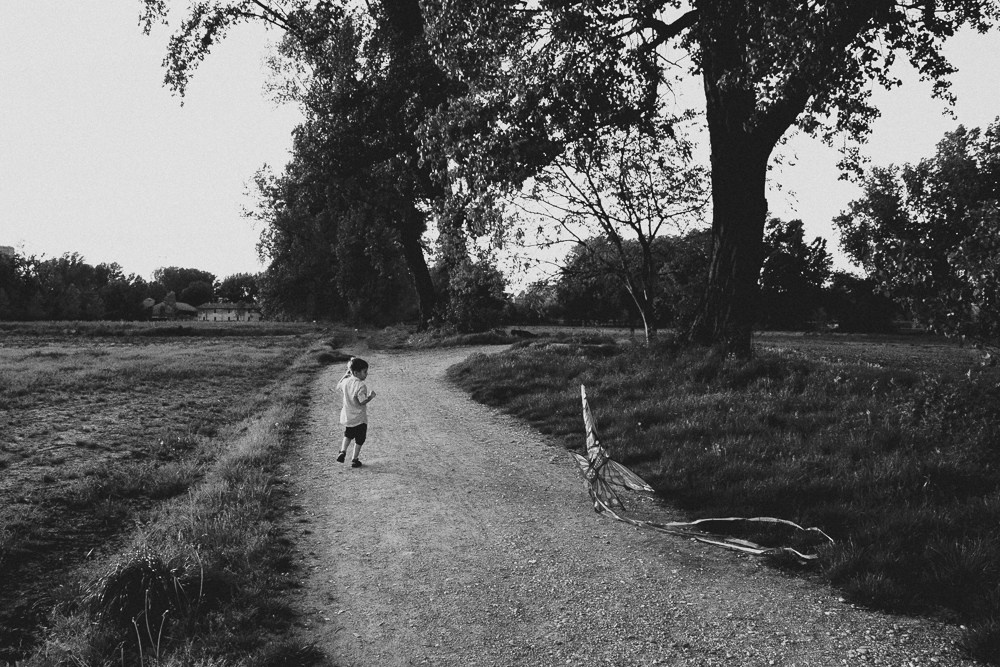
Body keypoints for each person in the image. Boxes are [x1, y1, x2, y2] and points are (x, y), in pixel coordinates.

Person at [336, 357, 377, 467]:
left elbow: (338, 385)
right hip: (359, 418)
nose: (366, 374)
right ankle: (354, 459)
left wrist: (346, 374)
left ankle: (342, 451)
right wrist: (370, 397)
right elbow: (362, 402)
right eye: (364, 372)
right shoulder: (361, 385)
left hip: (348, 416)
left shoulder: (346, 382)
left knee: (348, 435)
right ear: (356, 372)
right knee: (359, 439)